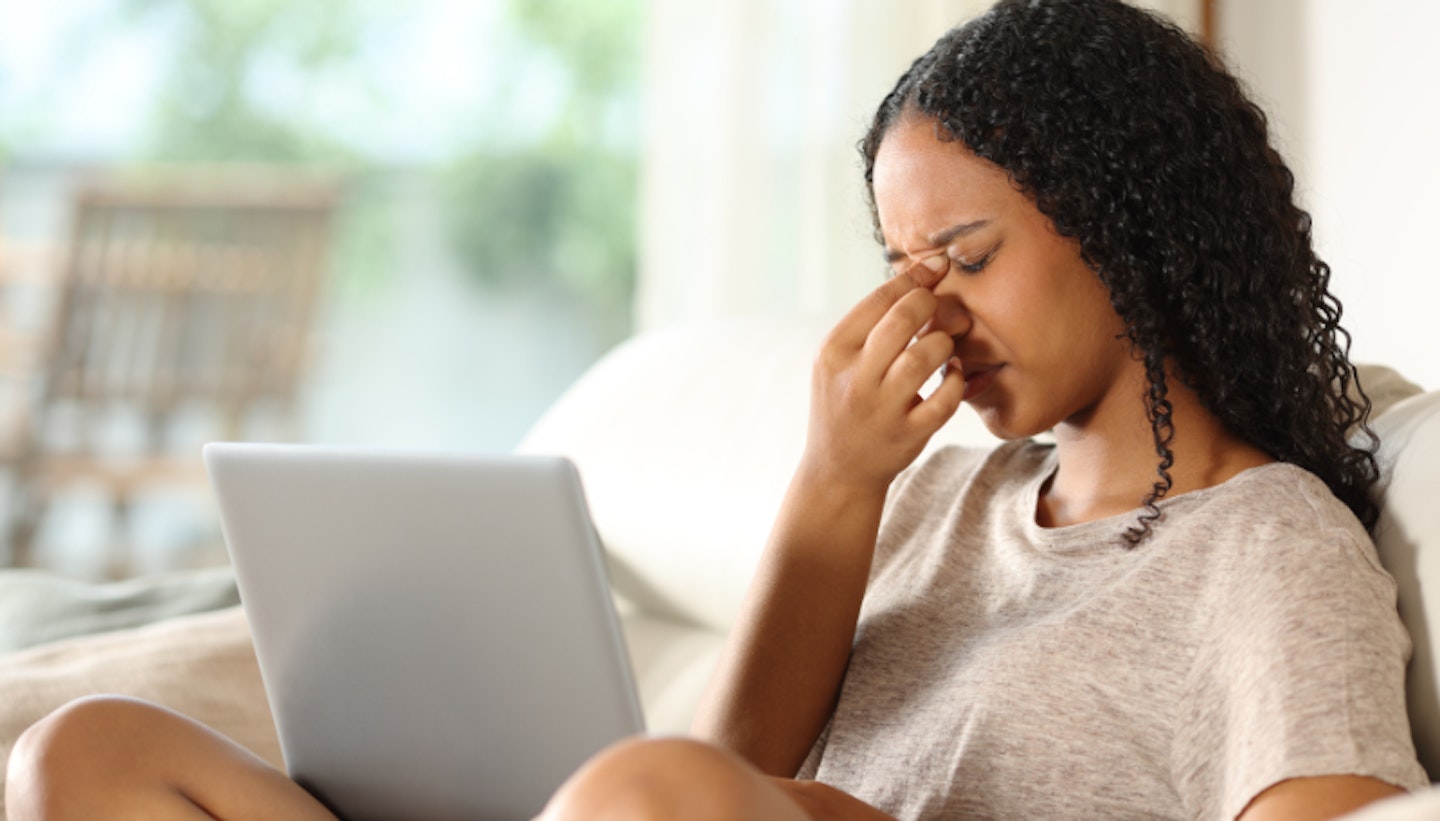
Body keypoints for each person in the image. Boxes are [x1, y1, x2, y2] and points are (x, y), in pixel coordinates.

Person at [4, 0, 1427, 819]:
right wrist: (835, 484)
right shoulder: (949, 499)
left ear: (1133, 233)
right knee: (90, 751)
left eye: (970, 260)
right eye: (900, 268)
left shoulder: (1268, 547)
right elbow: (735, 772)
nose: (926, 312)